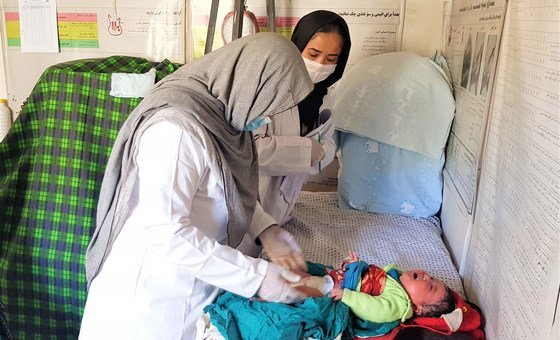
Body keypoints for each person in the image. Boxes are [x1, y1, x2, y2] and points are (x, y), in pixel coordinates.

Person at [79, 32, 315, 339]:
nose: (267, 119)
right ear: (247, 83)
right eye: (267, 105)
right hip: (149, 302)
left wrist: (266, 229)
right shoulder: (176, 130)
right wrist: (258, 277)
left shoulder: (225, 121)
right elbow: (167, 233)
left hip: (196, 283)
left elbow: (226, 186)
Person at [239, 10, 351, 256]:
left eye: (332, 58)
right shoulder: (269, 89)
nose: (321, 65)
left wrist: (317, 152)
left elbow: (327, 144)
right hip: (248, 206)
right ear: (297, 46)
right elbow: (248, 149)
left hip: (282, 207)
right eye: (313, 54)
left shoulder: (324, 96)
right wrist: (305, 151)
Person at [294, 251, 456, 324]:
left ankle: (282, 287)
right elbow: (369, 279)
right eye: (432, 277)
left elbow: (375, 309)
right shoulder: (395, 275)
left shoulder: (399, 303)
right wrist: (354, 267)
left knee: (301, 287)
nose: (427, 276)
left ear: (417, 308)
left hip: (335, 293)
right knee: (302, 268)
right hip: (338, 277)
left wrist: (347, 296)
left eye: (430, 287)